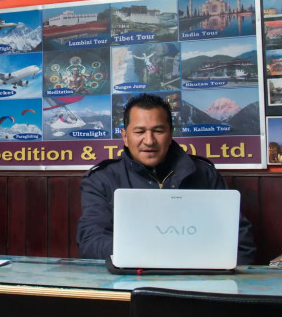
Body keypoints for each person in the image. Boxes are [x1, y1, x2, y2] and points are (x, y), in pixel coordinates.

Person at [76, 93, 256, 264]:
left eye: (158, 131)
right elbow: (92, 241)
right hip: (131, 276)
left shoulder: (204, 173)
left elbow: (239, 241)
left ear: (170, 134)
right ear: (125, 136)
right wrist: (151, 255)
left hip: (199, 278)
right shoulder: (101, 179)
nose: (149, 140)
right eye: (139, 131)